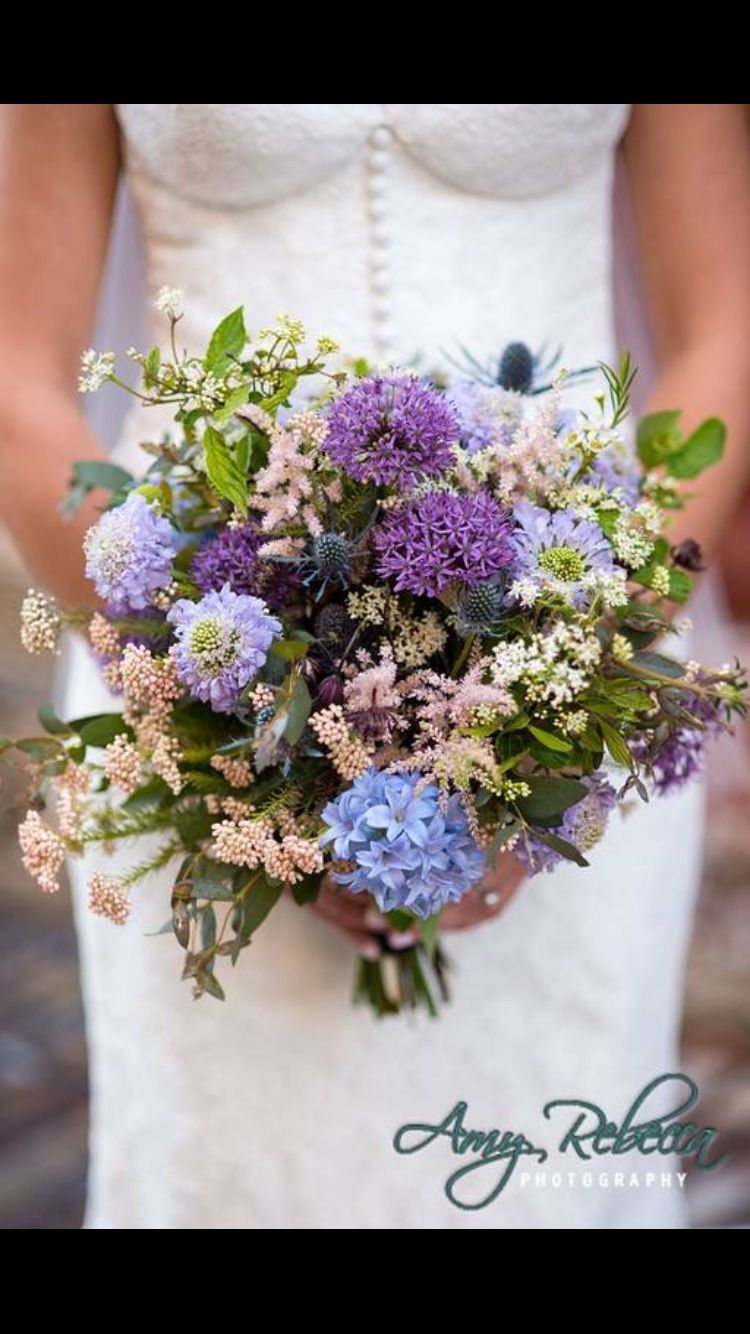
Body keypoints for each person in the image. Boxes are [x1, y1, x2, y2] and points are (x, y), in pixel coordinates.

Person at [1, 104, 749, 1229]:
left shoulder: (576, 678)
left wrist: (565, 696)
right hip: (198, 655)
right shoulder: (206, 702)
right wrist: (230, 736)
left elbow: (722, 332)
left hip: (580, 644)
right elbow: (18, 379)